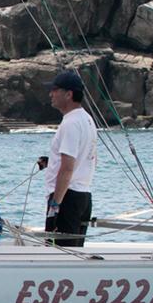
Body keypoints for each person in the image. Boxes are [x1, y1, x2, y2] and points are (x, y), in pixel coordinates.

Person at [40, 70, 98, 247]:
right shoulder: (87, 120)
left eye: (55, 90)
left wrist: (55, 204)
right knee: (74, 252)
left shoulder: (71, 123)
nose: (51, 94)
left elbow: (67, 168)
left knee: (60, 252)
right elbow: (88, 159)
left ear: (69, 94)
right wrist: (51, 163)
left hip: (67, 198)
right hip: (83, 196)